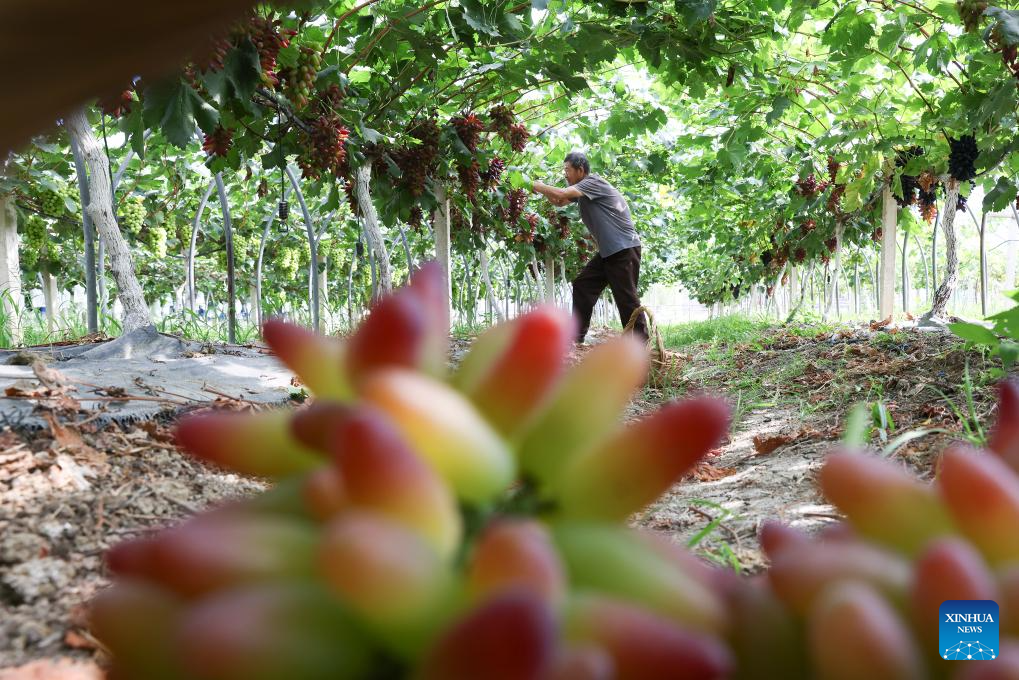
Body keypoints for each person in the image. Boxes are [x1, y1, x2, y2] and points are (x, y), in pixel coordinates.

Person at [531, 151, 647, 344]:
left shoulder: (593, 182)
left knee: (626, 298)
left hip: (624, 249)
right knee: (583, 285)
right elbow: (559, 201)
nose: (565, 174)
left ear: (581, 170)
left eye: (567, 170)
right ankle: (576, 337)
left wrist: (537, 185)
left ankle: (643, 344)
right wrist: (540, 189)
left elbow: (561, 194)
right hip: (609, 252)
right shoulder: (583, 190)